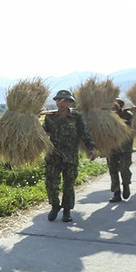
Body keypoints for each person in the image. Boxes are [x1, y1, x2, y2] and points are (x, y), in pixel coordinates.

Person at [42, 89, 97, 223]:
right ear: (55, 101)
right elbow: (42, 134)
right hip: (53, 156)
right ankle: (55, 206)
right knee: (51, 183)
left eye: (66, 100)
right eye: (59, 100)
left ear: (70, 103)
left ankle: (67, 210)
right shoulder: (49, 117)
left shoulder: (76, 117)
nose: (62, 103)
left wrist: (91, 148)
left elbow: (84, 133)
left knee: (68, 185)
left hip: (70, 157)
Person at [107, 98, 134, 202]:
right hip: (111, 148)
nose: (113, 107)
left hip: (125, 148)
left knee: (124, 168)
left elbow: (133, 129)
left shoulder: (128, 115)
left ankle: (126, 184)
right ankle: (116, 192)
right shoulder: (105, 117)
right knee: (113, 170)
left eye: (115, 105)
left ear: (120, 105)